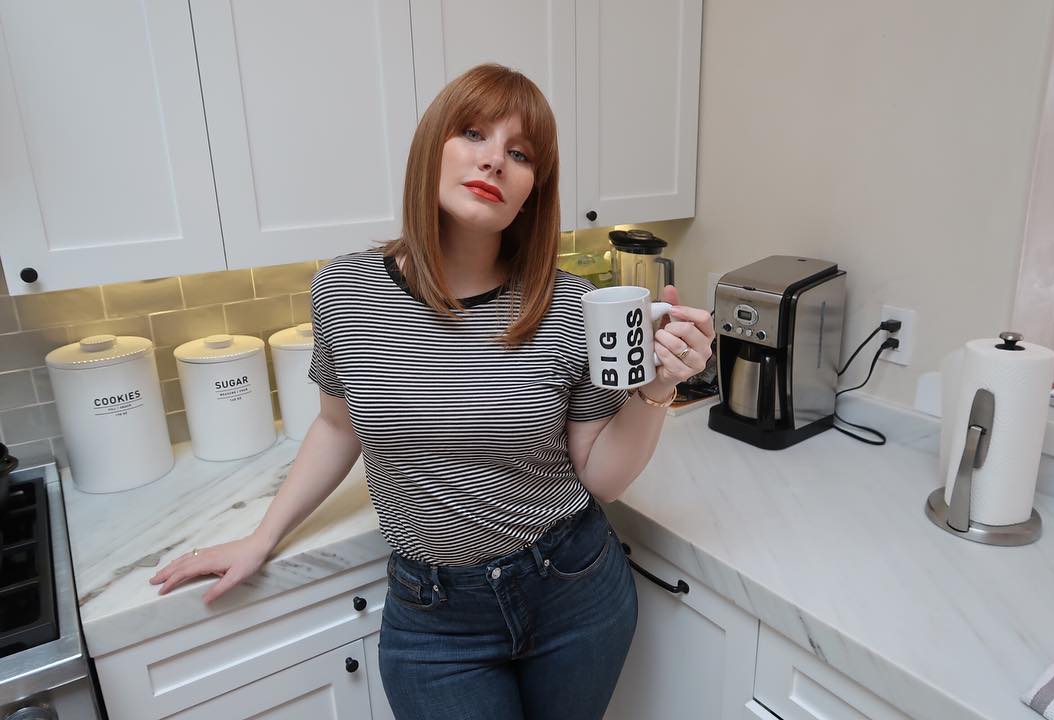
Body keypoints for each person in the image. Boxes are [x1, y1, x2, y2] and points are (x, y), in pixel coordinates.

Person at [150, 63, 714, 719]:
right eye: (472, 133)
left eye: (520, 153)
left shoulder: (571, 308)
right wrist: (261, 538)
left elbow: (602, 478)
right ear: (430, 151)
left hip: (574, 591)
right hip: (434, 618)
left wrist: (658, 388)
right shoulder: (345, 291)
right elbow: (338, 428)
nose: (494, 161)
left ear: (534, 189)